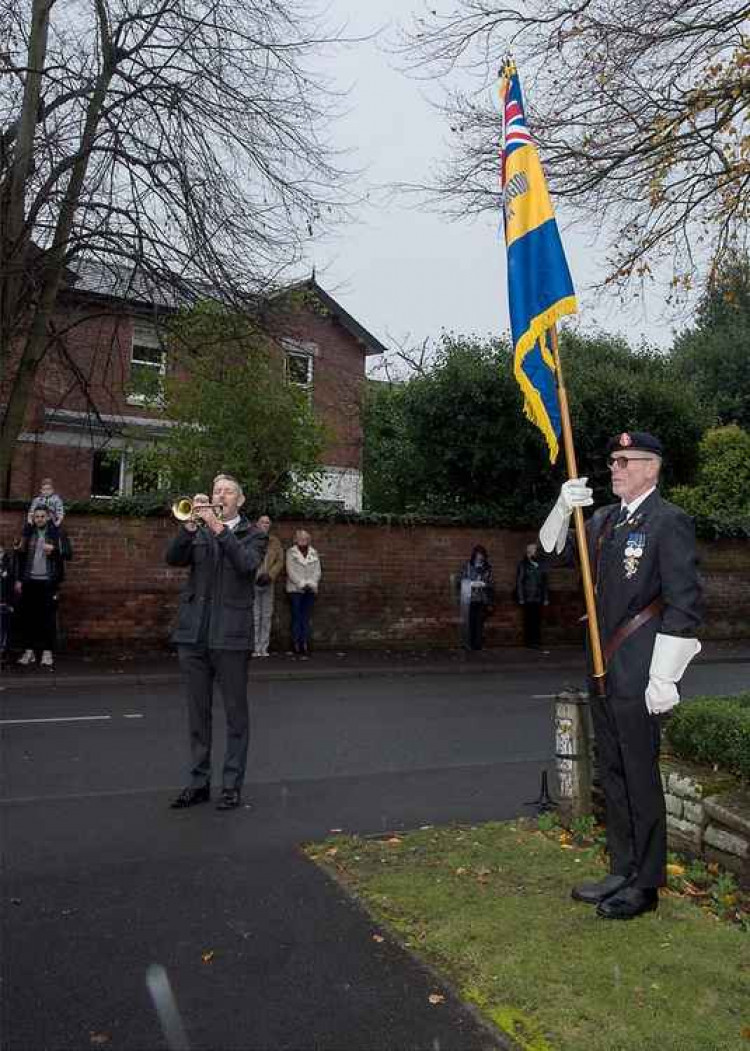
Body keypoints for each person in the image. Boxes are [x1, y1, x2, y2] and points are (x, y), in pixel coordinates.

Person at [539, 431, 702, 920]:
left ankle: (646, 884)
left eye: (626, 460)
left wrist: (665, 677)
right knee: (612, 771)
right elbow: (552, 555)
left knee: (639, 775)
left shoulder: (668, 522)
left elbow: (685, 602)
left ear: (652, 467)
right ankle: (621, 867)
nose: (615, 468)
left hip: (640, 667)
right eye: (613, 460)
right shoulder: (605, 521)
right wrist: (561, 509)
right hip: (603, 665)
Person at [166, 474, 267, 811]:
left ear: (240, 500)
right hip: (193, 634)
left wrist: (219, 529)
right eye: (215, 491)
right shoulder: (200, 528)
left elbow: (246, 565)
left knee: (236, 715)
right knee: (198, 714)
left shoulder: (254, 534)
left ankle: (231, 785)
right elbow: (173, 558)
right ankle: (198, 783)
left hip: (231, 637)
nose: (219, 495)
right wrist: (189, 529)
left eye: (227, 491)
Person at [14, 507, 66, 668]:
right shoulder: (28, 534)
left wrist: (55, 550)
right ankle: (29, 652)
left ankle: (47, 652)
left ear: (48, 518)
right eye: (37, 516)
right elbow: (20, 557)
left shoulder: (56, 533)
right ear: (33, 518)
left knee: (48, 619)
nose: (40, 519)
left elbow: (68, 553)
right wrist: (18, 579)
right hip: (30, 581)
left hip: (48, 583)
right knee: (28, 618)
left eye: (42, 516)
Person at [285, 529, 321, 659]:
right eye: (301, 539)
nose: (303, 541)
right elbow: (290, 570)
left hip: (310, 589)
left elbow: (317, 571)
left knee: (306, 617)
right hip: (295, 590)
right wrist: (301, 583)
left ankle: (304, 643)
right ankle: (296, 643)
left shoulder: (314, 553)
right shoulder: (291, 552)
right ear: (296, 540)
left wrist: (311, 583)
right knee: (296, 617)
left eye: (306, 539)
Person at [252, 514, 284, 658]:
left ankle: (264, 647)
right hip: (253, 582)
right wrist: (255, 575)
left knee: (266, 615)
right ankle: (254, 646)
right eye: (262, 522)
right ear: (257, 524)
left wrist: (270, 575)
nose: (265, 524)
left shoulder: (275, 542)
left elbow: (279, 561)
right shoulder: (251, 539)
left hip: (268, 582)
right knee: (254, 615)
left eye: (267, 522)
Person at [457, 545, 494, 650]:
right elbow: (460, 580)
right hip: (469, 599)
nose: (479, 557)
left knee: (479, 623)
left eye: (481, 554)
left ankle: (478, 644)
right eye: (478, 554)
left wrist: (484, 584)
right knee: (469, 622)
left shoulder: (487, 568)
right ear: (474, 555)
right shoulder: (467, 566)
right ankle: (469, 644)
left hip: (482, 599)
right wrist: (472, 583)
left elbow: (491, 583)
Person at [515, 541, 549, 649]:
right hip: (528, 597)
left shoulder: (541, 564)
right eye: (534, 551)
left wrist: (546, 598)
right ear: (529, 552)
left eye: (536, 550)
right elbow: (519, 581)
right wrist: (520, 597)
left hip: (538, 597)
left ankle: (537, 641)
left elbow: (545, 583)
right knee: (528, 620)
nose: (536, 552)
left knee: (537, 620)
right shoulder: (523, 565)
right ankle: (529, 641)